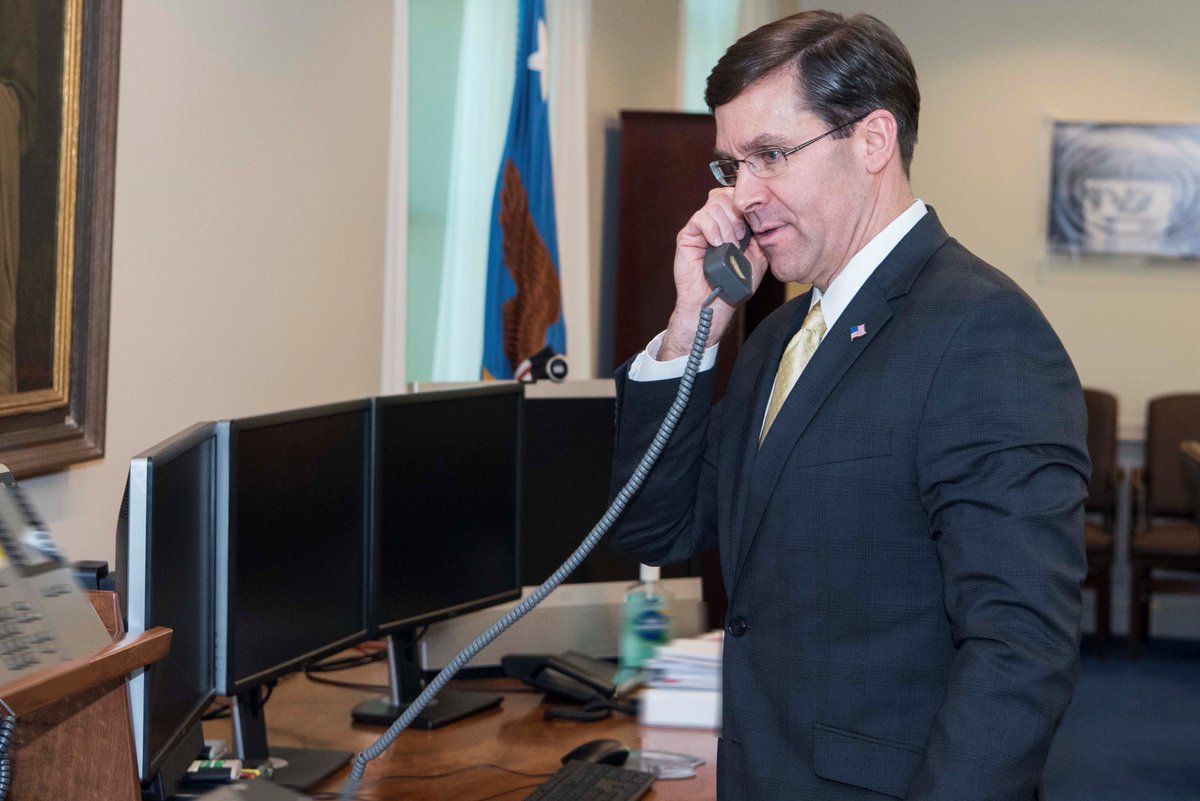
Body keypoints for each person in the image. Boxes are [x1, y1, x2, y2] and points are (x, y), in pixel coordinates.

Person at [607, 11, 1089, 801]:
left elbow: (1019, 650)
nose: (743, 196)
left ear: (872, 141)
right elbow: (655, 526)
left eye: (769, 155)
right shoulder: (778, 335)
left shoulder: (983, 331)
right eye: (730, 165)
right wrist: (689, 326)